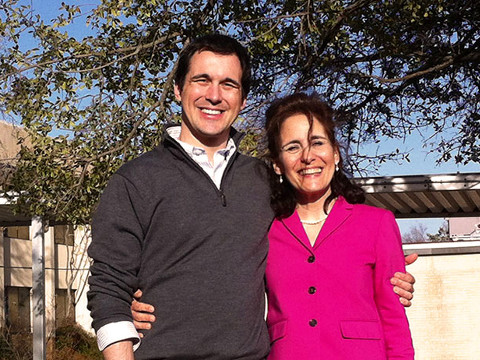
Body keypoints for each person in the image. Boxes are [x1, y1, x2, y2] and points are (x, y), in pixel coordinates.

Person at [88, 34, 416, 360]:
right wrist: (126, 316)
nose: (214, 95)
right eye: (202, 80)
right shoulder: (135, 180)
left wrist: (392, 277)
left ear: (242, 99)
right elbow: (109, 285)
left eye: (228, 84)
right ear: (178, 89)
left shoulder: (262, 182)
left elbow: (327, 235)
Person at [263, 93, 414, 358]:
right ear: (277, 165)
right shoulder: (264, 229)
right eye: (293, 147)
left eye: (317, 143)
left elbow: (394, 320)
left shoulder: (377, 224)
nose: (308, 157)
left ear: (335, 153)